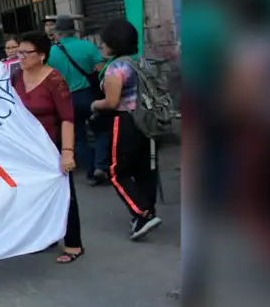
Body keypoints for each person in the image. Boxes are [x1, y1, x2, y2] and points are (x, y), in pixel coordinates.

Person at [10, 31, 83, 264]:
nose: (20, 56)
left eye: (26, 53)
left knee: (65, 195)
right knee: (34, 195)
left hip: (52, 146)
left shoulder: (54, 80)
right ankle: (45, 236)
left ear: (41, 55)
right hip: (25, 149)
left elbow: (67, 118)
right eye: (18, 52)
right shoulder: (15, 77)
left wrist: (67, 152)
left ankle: (74, 244)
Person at [90, 19, 162, 241]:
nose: (101, 46)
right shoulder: (141, 62)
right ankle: (148, 210)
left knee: (116, 170)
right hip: (149, 121)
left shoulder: (116, 67)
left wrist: (95, 105)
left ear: (115, 43)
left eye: (104, 42)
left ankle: (141, 213)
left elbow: (112, 101)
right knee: (145, 170)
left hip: (126, 122)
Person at [47, 15, 108, 186]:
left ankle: (90, 173)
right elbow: (101, 72)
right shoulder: (87, 46)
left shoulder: (51, 54)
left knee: (78, 137)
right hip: (89, 95)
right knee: (102, 130)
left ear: (58, 33)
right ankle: (100, 166)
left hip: (65, 99)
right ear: (74, 31)